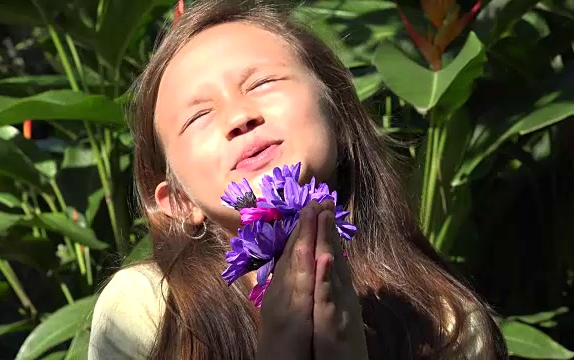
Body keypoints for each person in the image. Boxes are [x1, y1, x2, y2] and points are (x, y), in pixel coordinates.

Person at [88, 1, 509, 359]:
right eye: (199, 115)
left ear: (340, 117)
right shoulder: (147, 310)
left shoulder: (446, 319)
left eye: (264, 82)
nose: (239, 117)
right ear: (178, 201)